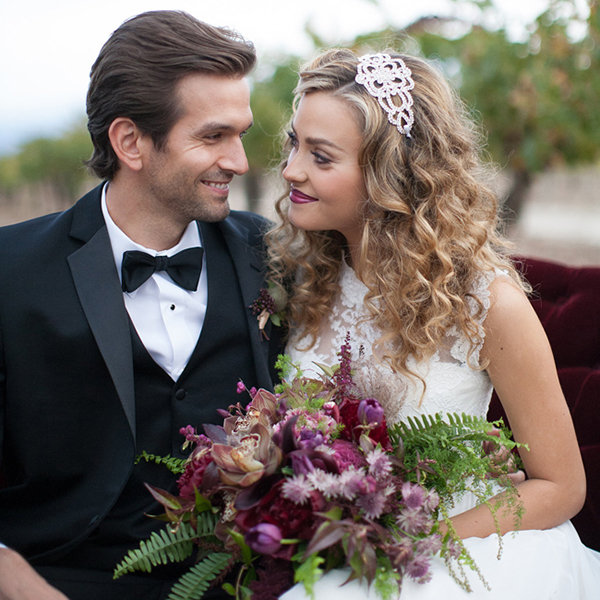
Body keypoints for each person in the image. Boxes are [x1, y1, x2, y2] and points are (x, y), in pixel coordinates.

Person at [266, 48, 600, 598]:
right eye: (293, 144)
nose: (291, 169)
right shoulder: (303, 280)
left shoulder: (486, 305)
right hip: (329, 548)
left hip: (460, 551)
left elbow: (561, 487)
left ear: (385, 174)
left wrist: (413, 542)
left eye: (321, 157)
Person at [0, 10, 281, 600]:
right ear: (131, 141)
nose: (239, 161)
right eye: (212, 136)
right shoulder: (10, 270)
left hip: (251, 580)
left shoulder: (277, 257)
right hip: (63, 578)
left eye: (241, 134)